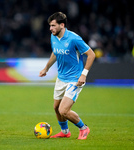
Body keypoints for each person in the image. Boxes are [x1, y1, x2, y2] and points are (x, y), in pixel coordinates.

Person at [39, 12, 95, 140]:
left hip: (75, 79)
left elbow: (91, 55)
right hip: (61, 78)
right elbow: (55, 52)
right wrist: (46, 68)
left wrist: (83, 75)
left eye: (53, 26)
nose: (50, 28)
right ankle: (65, 132)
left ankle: (83, 128)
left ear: (62, 25)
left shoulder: (74, 38)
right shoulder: (53, 37)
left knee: (63, 110)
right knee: (56, 108)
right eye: (50, 26)